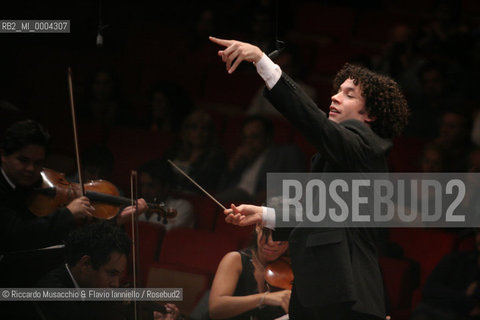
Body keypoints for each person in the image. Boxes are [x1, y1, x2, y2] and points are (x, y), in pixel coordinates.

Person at [209, 36, 409, 319]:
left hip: (346, 297)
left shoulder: (363, 145)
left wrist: (262, 61)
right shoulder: (340, 154)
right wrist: (264, 214)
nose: (335, 97)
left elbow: (314, 123)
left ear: (370, 115)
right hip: (325, 295)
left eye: (349, 94)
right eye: (338, 90)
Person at [0, 120, 147, 280]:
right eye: (23, 160)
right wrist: (68, 213)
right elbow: (15, 235)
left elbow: (76, 239)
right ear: (3, 155)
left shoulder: (37, 187)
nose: (31, 169)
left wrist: (117, 220)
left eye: (38, 163)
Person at [35, 221, 180, 320]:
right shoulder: (53, 296)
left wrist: (152, 314)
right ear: (85, 264)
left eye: (119, 275)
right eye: (111, 273)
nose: (116, 285)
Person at [218, 115, 305, 204]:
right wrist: (233, 163)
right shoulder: (243, 158)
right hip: (235, 198)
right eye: (245, 137)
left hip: (261, 201)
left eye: (254, 137)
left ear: (268, 137)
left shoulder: (286, 152)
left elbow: (298, 183)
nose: (249, 142)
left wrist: (271, 192)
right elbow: (221, 186)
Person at [209, 225, 291, 319]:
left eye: (281, 238)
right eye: (267, 233)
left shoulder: (292, 268)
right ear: (258, 227)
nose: (272, 243)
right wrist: (265, 298)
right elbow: (215, 309)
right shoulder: (235, 260)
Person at [137, 159, 194, 231]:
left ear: (166, 187)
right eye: (142, 185)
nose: (145, 191)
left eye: (151, 186)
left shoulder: (181, 207)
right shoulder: (136, 208)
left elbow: (166, 234)